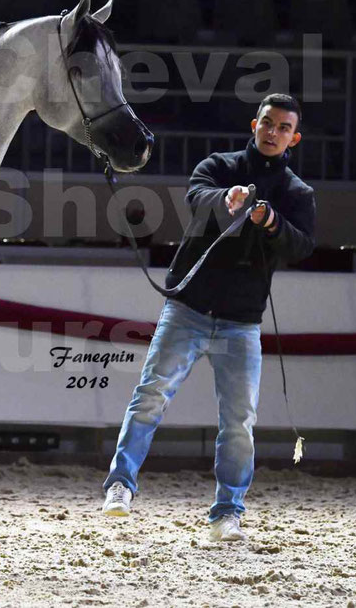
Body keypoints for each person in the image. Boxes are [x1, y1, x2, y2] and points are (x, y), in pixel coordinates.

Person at [101, 93, 316, 542]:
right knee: (150, 396)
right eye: (267, 123)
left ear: (293, 137)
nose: (272, 132)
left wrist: (271, 221)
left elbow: (301, 245)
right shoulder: (218, 166)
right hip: (188, 309)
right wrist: (229, 199)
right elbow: (197, 199)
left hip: (242, 321)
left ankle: (227, 513)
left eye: (282, 127)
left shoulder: (297, 193)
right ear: (253, 125)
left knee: (239, 421)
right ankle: (120, 485)